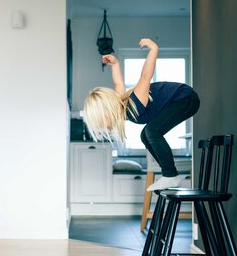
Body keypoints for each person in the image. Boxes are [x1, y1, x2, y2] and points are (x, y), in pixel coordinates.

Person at [83, 38, 200, 191]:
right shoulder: (121, 102)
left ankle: (170, 175)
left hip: (186, 99)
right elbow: (119, 83)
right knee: (145, 135)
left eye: (101, 122)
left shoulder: (136, 101)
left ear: (107, 110)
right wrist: (115, 64)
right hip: (180, 101)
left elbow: (146, 76)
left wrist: (153, 49)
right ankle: (171, 174)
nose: (104, 127)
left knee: (152, 131)